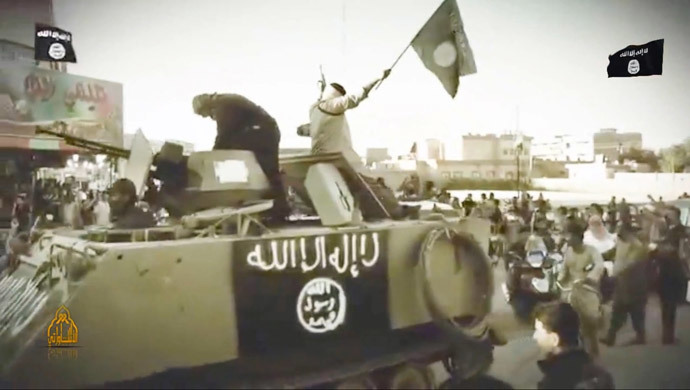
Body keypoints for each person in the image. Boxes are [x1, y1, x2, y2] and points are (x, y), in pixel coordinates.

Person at [192, 92, 290, 223]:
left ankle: (279, 208)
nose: (209, 117)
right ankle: (275, 207)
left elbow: (224, 134)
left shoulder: (224, 105)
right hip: (262, 131)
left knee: (266, 168)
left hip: (262, 133)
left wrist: (213, 155)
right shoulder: (225, 102)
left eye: (204, 114)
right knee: (265, 169)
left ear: (205, 106)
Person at [533, 302, 614, 389]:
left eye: (538, 331)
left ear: (554, 340)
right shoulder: (596, 371)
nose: (535, 336)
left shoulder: (553, 382)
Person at [558, 221, 605, 357]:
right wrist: (559, 278)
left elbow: (599, 265)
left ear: (578, 236)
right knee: (571, 320)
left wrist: (589, 278)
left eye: (569, 235)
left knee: (590, 318)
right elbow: (564, 268)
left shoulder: (591, 250)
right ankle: (580, 350)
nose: (566, 238)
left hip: (587, 288)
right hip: (570, 290)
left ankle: (594, 346)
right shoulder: (568, 251)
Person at [600, 223, 648, 346]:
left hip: (635, 283)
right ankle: (611, 337)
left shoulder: (637, 246)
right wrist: (598, 256)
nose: (617, 234)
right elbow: (612, 252)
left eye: (620, 231)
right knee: (618, 309)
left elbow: (630, 264)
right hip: (622, 283)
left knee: (636, 311)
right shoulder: (622, 243)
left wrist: (614, 274)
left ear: (627, 233)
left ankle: (640, 336)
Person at [650, 206, 687, 344]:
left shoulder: (680, 231)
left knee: (670, 304)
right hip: (664, 269)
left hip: (673, 269)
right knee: (665, 303)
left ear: (676, 215)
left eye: (669, 215)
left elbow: (681, 253)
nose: (667, 217)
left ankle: (668, 335)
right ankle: (667, 335)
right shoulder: (669, 229)